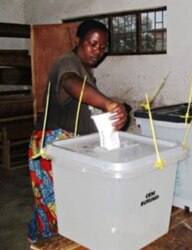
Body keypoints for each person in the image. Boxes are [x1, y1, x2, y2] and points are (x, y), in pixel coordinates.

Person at [28, 20, 128, 242]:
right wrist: (108, 104)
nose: (98, 51)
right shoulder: (67, 62)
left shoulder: (86, 72)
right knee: (54, 211)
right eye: (92, 44)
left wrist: (110, 122)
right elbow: (69, 83)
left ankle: (37, 241)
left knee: (64, 209)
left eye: (103, 47)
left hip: (70, 146)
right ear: (78, 42)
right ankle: (40, 244)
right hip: (52, 147)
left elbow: (83, 112)